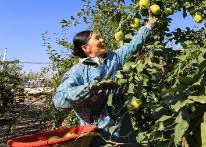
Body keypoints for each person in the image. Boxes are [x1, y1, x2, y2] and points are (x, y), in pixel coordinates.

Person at [53, 13, 157, 145]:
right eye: (97, 38)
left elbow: (133, 45)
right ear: (86, 48)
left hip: (123, 128)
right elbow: (59, 100)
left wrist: (148, 26)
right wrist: (91, 87)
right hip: (97, 134)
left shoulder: (113, 58)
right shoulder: (77, 72)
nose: (102, 40)